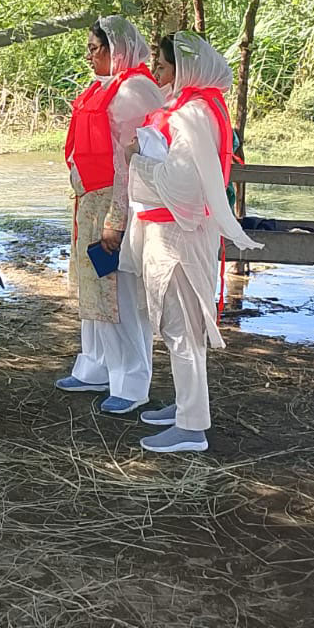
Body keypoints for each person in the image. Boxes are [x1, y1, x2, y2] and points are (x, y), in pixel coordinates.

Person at [123, 32, 263, 453]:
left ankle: (191, 427)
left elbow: (184, 186)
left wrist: (138, 159)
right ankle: (188, 405)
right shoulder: (190, 108)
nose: (155, 73)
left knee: (182, 326)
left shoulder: (193, 114)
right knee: (178, 325)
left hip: (179, 235)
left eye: (162, 67)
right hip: (172, 231)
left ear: (182, 69)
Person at [55, 16, 164, 417]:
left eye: (95, 48)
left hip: (118, 204)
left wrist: (115, 220)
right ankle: (95, 366)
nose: (88, 56)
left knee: (119, 295)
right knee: (93, 292)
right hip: (89, 201)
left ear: (116, 50)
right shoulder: (103, 88)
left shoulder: (136, 91)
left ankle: (131, 381)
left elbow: (129, 162)